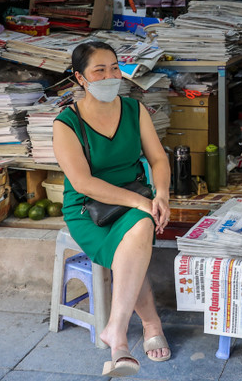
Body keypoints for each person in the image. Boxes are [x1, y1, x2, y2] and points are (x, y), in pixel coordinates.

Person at [53, 41, 171, 377]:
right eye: (99, 70)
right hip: (88, 209)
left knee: (140, 226)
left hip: (133, 196)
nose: (110, 76)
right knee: (140, 225)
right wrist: (142, 202)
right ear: (80, 78)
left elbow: (158, 159)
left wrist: (161, 194)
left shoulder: (134, 110)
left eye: (115, 68)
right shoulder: (66, 123)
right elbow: (83, 183)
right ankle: (149, 324)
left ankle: (117, 332)